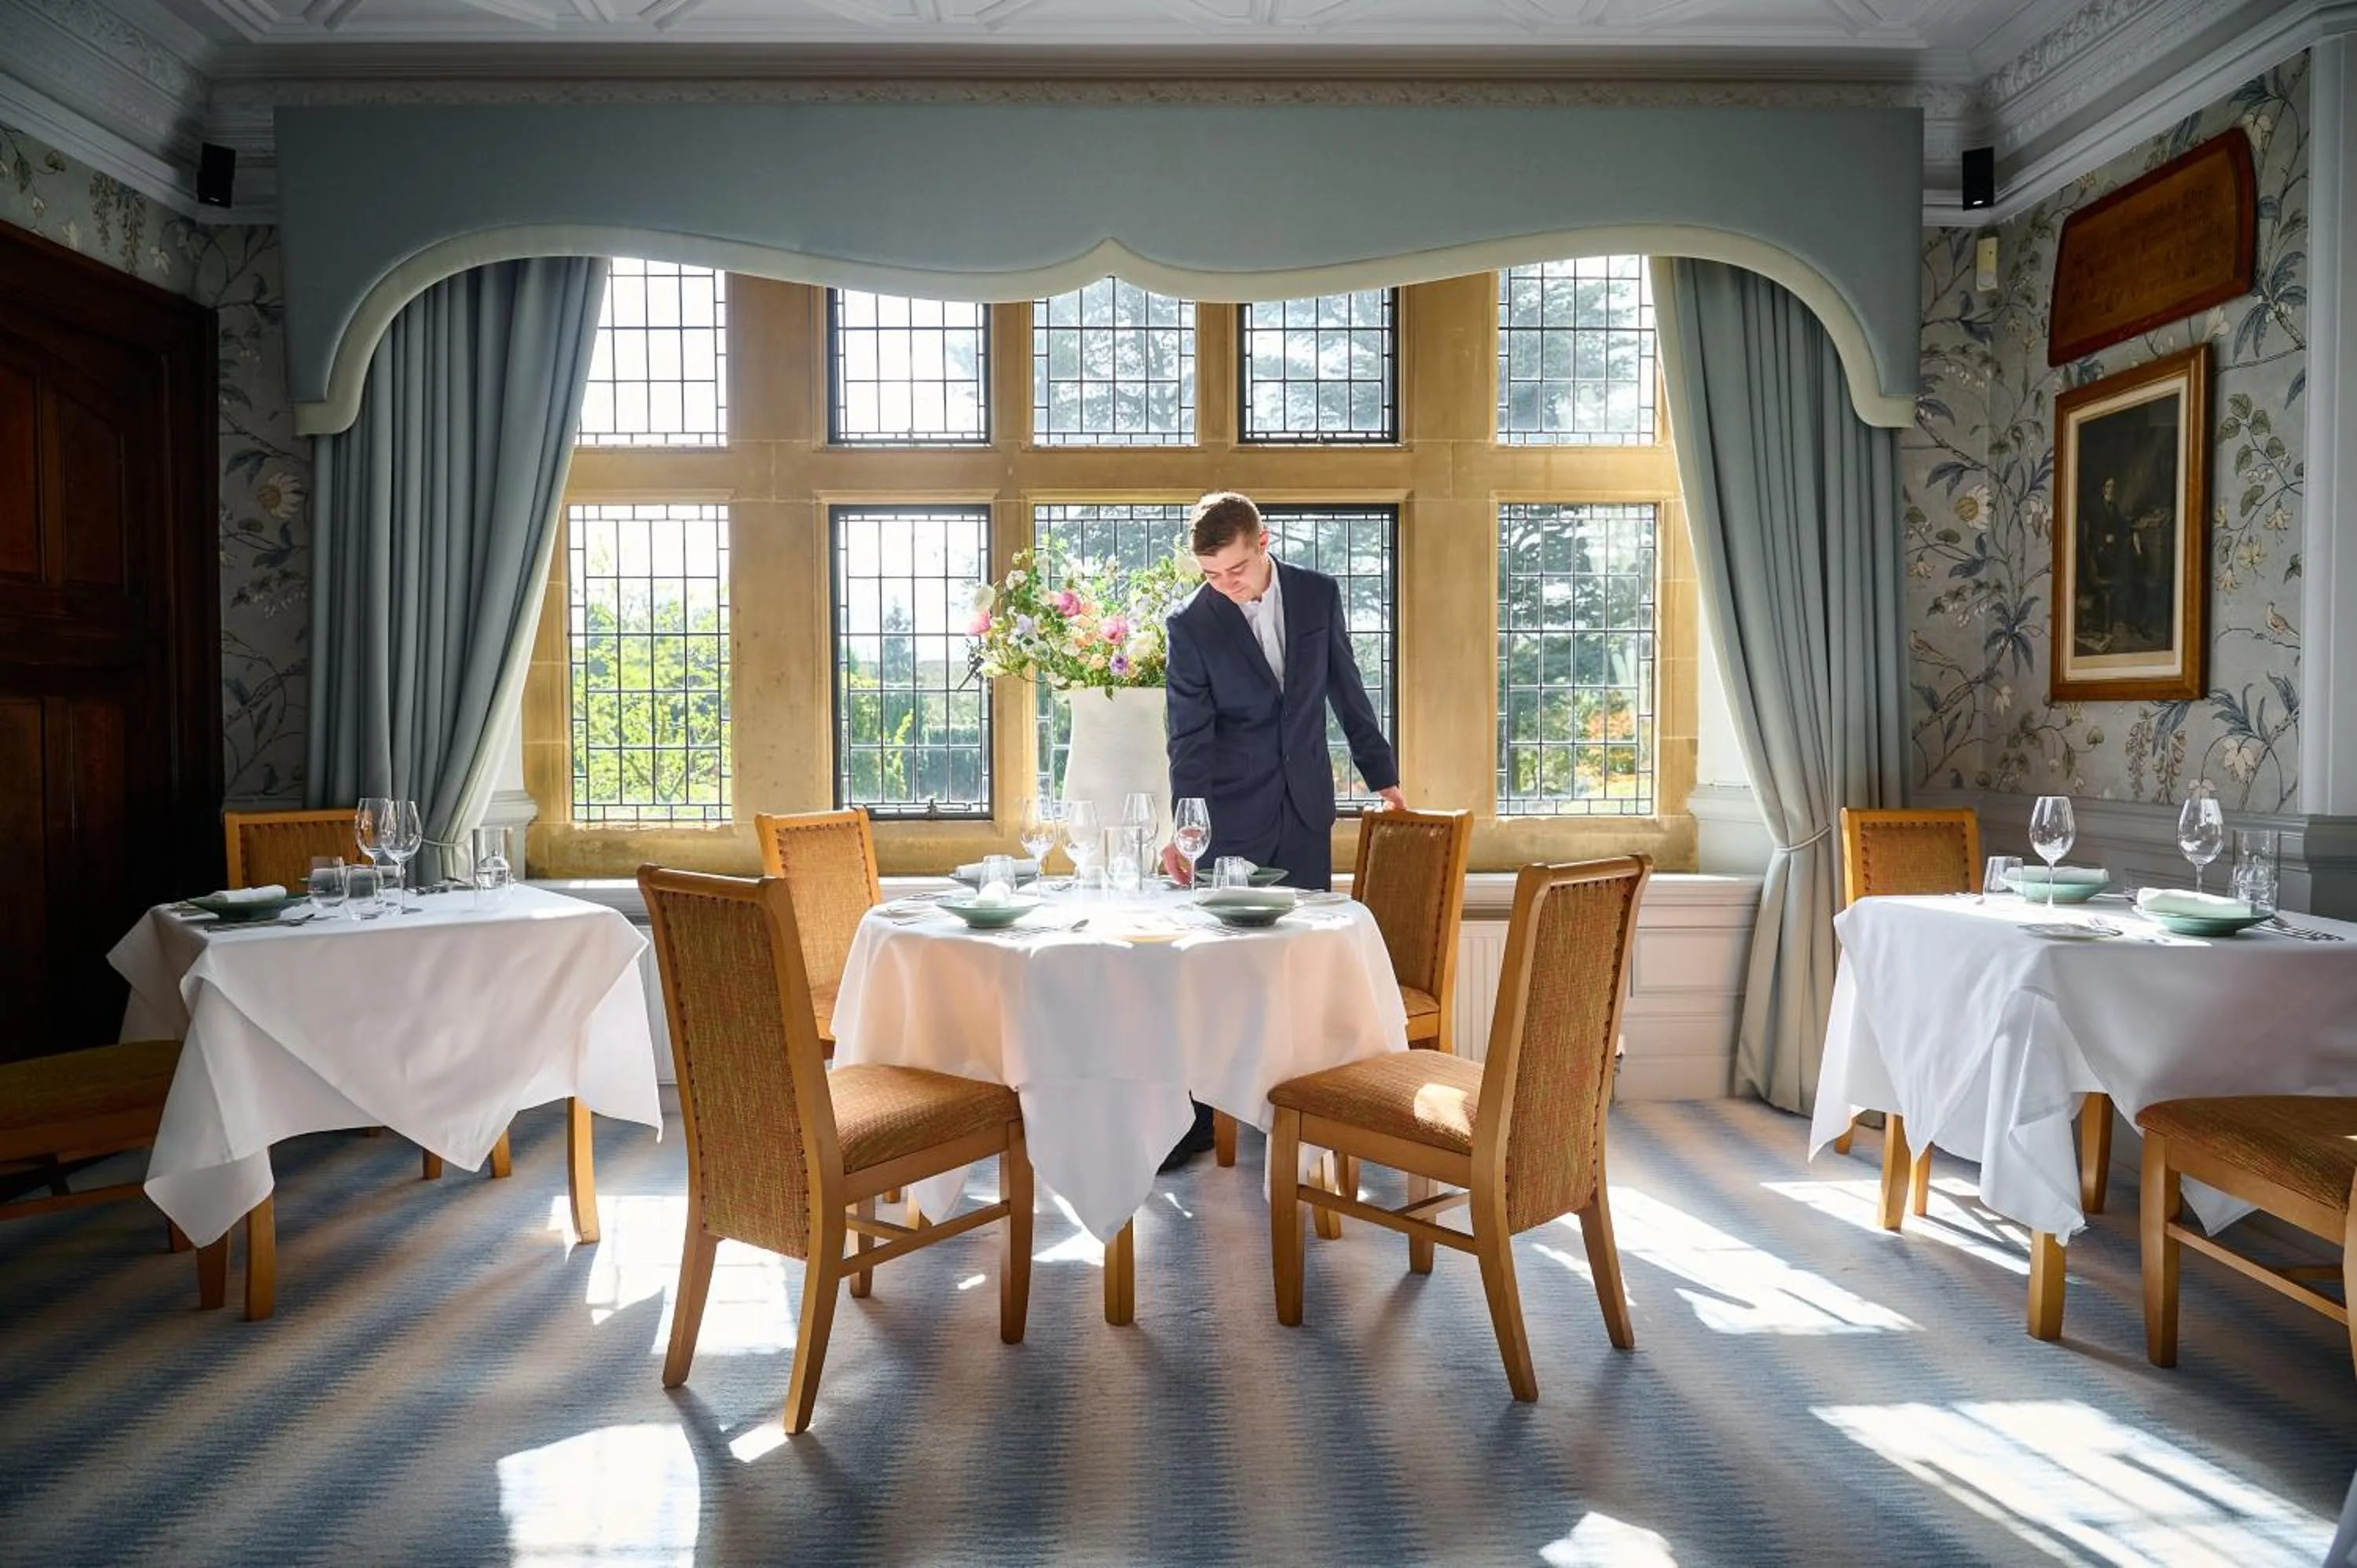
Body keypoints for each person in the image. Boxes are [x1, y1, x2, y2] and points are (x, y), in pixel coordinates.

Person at [1153, 491, 1404, 1168]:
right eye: (1210, 574)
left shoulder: (1318, 596)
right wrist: (1187, 827)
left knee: (1299, 967)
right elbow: (1188, 741)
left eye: (1233, 569)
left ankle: (1301, 1113)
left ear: (1263, 543)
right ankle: (1202, 1118)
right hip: (1229, 818)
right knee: (1218, 975)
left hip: (1304, 810)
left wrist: (1384, 778)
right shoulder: (1192, 625)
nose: (1224, 585)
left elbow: (1348, 691)